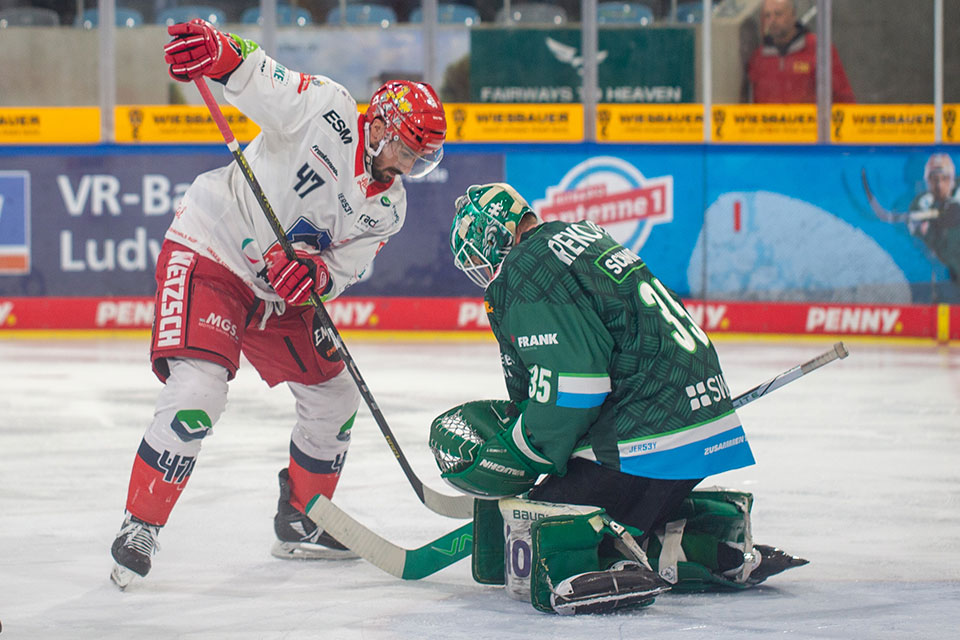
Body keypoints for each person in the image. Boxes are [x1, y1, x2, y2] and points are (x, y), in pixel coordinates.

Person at [109, 19, 446, 589]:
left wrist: (314, 275)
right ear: (382, 126)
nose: (412, 164)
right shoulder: (326, 109)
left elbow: (341, 272)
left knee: (335, 393)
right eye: (409, 149)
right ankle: (141, 522)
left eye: (423, 156)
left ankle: (302, 518)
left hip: (274, 293)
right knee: (198, 390)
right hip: (214, 248)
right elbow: (253, 71)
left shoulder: (390, 209)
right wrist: (220, 50)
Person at [430, 183, 806, 614]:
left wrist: (526, 450)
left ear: (496, 238)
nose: (484, 274)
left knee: (535, 522)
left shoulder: (527, 266)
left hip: (646, 435)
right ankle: (701, 546)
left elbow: (575, 386)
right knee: (617, 506)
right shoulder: (577, 237)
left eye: (480, 260)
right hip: (698, 425)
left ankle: (610, 558)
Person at [745, 0, 855, 104]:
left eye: (778, 14)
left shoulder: (818, 49)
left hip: (810, 123)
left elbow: (843, 95)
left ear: (793, 15)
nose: (772, 20)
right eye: (767, 15)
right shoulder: (758, 58)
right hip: (769, 123)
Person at [908, 154, 960, 282]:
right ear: (927, 180)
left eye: (945, 178)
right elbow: (919, 231)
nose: (939, 185)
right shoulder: (920, 204)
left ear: (952, 178)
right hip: (949, 271)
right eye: (934, 179)